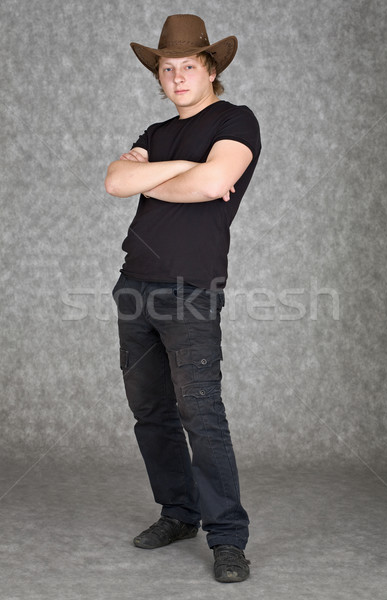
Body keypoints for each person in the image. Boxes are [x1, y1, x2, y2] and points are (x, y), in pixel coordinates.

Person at [105, 14, 261, 583]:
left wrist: (158, 178)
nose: (176, 77)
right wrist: (190, 172)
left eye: (187, 66)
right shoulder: (154, 131)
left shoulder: (237, 121)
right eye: (166, 68)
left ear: (210, 68)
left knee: (201, 413)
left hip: (191, 290)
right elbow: (115, 181)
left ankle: (228, 539)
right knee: (151, 411)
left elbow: (209, 183)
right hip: (135, 285)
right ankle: (177, 513)